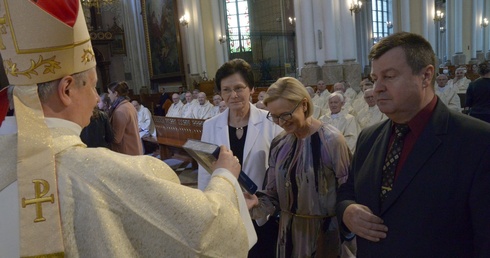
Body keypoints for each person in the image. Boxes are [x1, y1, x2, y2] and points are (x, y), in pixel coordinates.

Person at [0, 1, 256, 257]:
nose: (95, 99)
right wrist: (225, 176)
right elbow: (209, 230)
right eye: (91, 86)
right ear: (66, 90)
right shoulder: (102, 175)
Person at [336, 32, 490, 257]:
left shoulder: (477, 141)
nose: (377, 87)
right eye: (374, 78)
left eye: (389, 76)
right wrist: (347, 211)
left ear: (426, 76)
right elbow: (348, 191)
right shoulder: (368, 137)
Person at [246, 77, 351, 258]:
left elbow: (348, 192)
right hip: (287, 235)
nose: (281, 122)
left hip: (323, 237)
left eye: (285, 114)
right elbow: (273, 193)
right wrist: (257, 202)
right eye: (275, 117)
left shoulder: (331, 140)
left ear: (303, 104)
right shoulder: (279, 143)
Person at [199, 58, 283, 258]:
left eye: (239, 88)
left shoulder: (270, 122)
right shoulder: (210, 126)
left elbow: (280, 172)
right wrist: (206, 209)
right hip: (225, 212)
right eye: (226, 90)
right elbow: (205, 172)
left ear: (251, 89)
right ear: (219, 93)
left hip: (261, 213)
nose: (233, 95)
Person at [108, 81, 143, 155]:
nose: (108, 96)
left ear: (115, 93)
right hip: (134, 149)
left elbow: (116, 138)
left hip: (127, 152)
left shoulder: (120, 110)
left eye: (109, 93)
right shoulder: (128, 105)